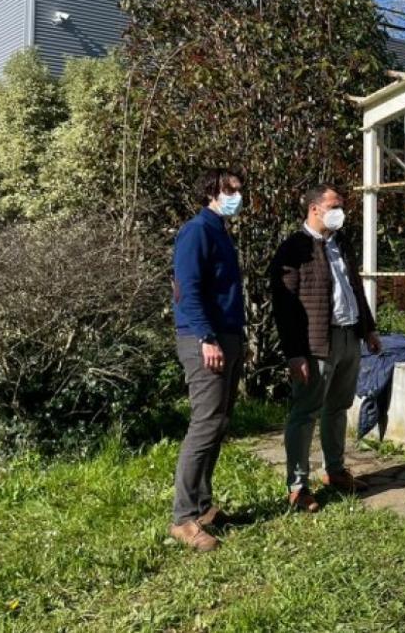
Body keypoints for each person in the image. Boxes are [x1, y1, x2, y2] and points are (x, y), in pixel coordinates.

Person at [270, 184, 380, 512]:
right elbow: (284, 307)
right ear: (315, 209)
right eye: (334, 205)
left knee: (338, 407)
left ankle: (335, 472)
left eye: (342, 206)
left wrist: (368, 328)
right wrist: (295, 353)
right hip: (316, 343)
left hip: (348, 337)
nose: (340, 211)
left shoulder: (340, 244)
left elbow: (355, 288)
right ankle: (298, 486)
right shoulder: (293, 249)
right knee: (305, 413)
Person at [169, 168, 247, 552]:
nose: (236, 194)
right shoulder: (197, 230)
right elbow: (187, 288)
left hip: (226, 338)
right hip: (206, 341)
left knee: (218, 423)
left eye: (238, 189)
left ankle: (202, 507)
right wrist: (206, 337)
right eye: (229, 189)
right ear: (210, 192)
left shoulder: (220, 231)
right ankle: (183, 518)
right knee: (204, 425)